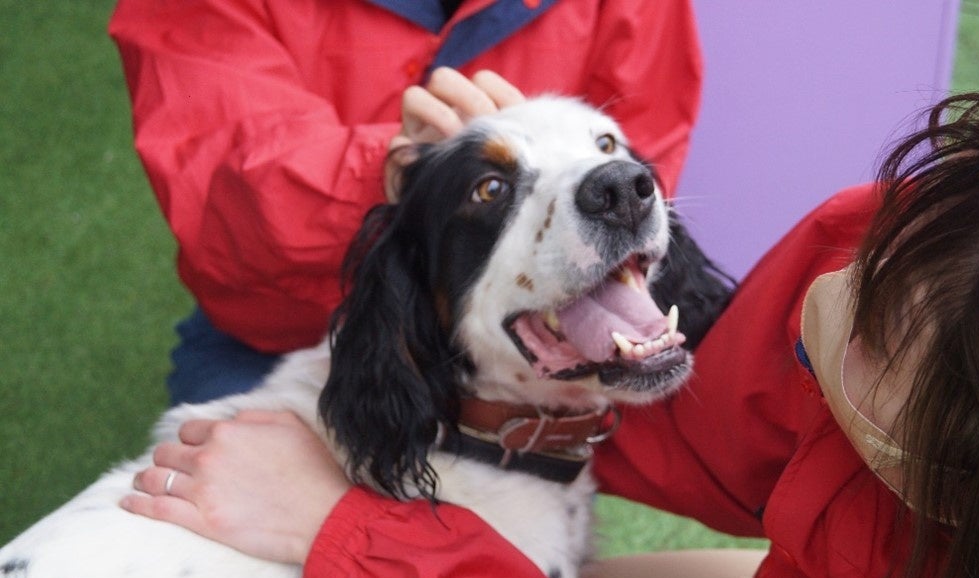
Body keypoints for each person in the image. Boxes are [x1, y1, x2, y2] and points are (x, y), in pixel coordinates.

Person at [123, 87, 979, 578]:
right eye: (887, 253)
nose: (817, 297)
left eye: (892, 334)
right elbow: (713, 406)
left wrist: (348, 533)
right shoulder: (905, 251)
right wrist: (534, 204)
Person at [107, 0, 703, 405]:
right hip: (280, 335)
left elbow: (639, 171)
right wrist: (397, 172)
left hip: (570, 315)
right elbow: (221, 188)